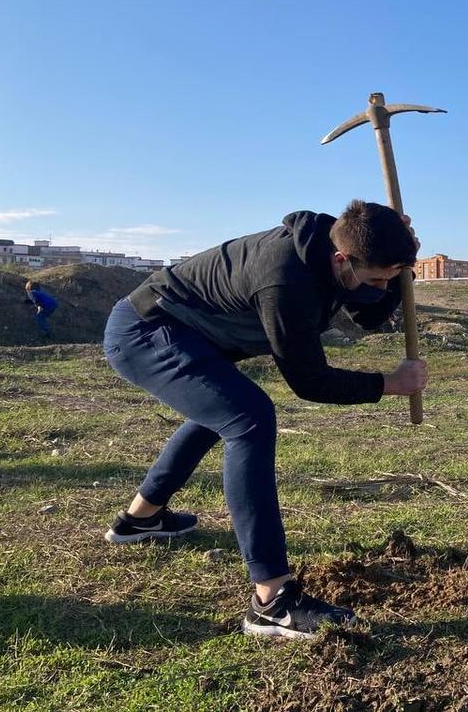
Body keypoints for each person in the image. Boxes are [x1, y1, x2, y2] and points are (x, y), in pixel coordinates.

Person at [101, 200, 427, 638]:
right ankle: (272, 601)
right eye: (375, 276)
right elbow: (310, 381)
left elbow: (367, 311)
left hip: (196, 338)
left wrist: (397, 262)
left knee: (222, 413)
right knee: (249, 417)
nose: (381, 285)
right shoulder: (285, 280)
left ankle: (141, 520)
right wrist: (389, 383)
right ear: (342, 260)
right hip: (145, 331)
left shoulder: (337, 249)